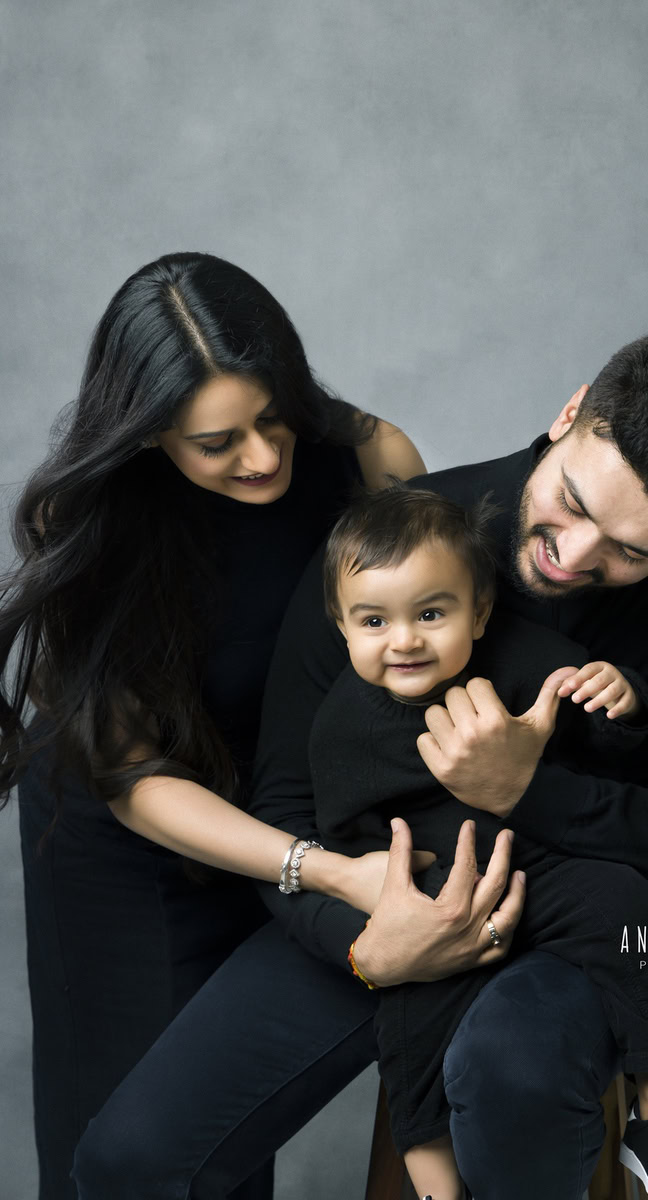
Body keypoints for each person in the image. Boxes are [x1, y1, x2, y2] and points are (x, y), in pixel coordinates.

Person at [70, 327, 648, 1200]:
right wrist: (376, 942)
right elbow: (289, 799)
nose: (575, 555)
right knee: (132, 1158)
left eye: (633, 553)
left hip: (572, 922)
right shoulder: (400, 537)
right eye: (572, 503)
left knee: (510, 1077)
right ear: (569, 417)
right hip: (381, 899)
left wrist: (526, 789)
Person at [0, 250, 428, 1200]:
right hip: (125, 855)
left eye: (272, 415)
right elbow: (133, 782)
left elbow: (427, 633)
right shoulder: (87, 518)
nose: (264, 456)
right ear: (149, 437)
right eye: (218, 442)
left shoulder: (370, 457)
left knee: (216, 1141)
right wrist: (314, 867)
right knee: (114, 1159)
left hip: (291, 808)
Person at [318, 482, 648, 1200]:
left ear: (479, 613)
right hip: (441, 903)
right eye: (374, 621)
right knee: (408, 1042)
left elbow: (606, 741)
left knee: (628, 904)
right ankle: (438, 1191)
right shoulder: (340, 726)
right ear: (341, 625)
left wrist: (619, 698)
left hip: (542, 871)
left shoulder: (524, 657)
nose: (404, 640)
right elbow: (343, 840)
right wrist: (384, 889)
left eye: (431, 614)